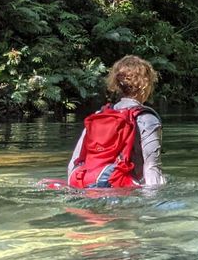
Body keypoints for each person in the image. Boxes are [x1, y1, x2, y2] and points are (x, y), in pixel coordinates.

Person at [67, 55, 166, 188]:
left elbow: (74, 162)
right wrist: (154, 204)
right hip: (123, 190)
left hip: (85, 184)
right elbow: (151, 169)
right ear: (145, 85)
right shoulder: (147, 119)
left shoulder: (99, 115)